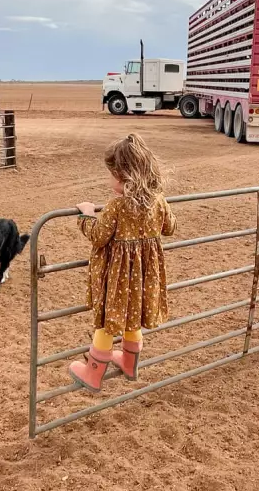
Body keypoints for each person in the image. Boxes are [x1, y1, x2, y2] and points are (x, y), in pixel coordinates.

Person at [70, 133, 176, 392]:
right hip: (144, 276)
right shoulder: (157, 201)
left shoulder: (117, 205)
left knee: (108, 321)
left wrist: (86, 215)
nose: (109, 181)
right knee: (133, 317)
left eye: (112, 175)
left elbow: (99, 236)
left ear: (125, 176)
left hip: (119, 276)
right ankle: (129, 363)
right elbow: (170, 227)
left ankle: (92, 375)